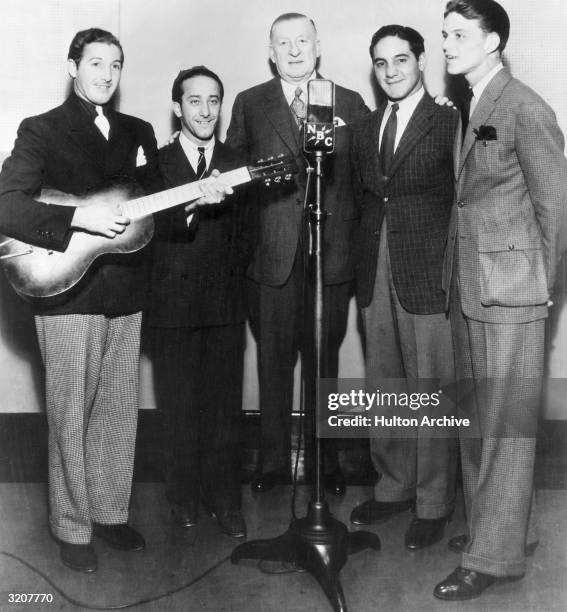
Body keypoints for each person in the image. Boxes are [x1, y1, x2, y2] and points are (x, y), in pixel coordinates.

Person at [0, 29, 226, 573]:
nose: (106, 73)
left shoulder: (138, 131)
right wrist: (79, 216)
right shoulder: (42, 130)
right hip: (65, 291)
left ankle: (109, 512)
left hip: (127, 291)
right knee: (70, 413)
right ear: (73, 65)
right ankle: (72, 528)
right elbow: (6, 205)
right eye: (95, 62)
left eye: (116, 64)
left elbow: (150, 210)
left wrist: (199, 199)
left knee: (118, 412)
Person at [435, 0, 567, 600]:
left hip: (511, 294)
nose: (446, 44)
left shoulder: (524, 108)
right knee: (478, 422)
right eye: (443, 34)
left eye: (459, 34)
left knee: (506, 428)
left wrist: (537, 288)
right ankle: (501, 533)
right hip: (471, 287)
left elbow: (555, 211)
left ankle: (488, 558)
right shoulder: (476, 103)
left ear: (493, 42)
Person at [226, 12, 369, 495]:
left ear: (318, 45)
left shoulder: (348, 101)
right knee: (273, 361)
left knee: (323, 363)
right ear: (271, 52)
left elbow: (364, 180)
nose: (293, 50)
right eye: (283, 43)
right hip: (272, 257)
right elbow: (234, 181)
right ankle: (271, 463)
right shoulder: (250, 103)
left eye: (302, 41)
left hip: (331, 255)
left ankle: (325, 462)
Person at [348, 26, 458, 550]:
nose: (391, 71)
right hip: (374, 269)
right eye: (381, 62)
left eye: (401, 60)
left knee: (430, 387)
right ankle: (393, 486)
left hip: (428, 272)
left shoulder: (448, 120)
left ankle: (434, 501)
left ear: (421, 61)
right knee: (384, 382)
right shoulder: (366, 126)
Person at [147, 66, 250, 538]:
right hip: (173, 305)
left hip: (225, 304)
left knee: (225, 407)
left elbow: (250, 235)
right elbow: (145, 237)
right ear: (177, 107)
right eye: (194, 101)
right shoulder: (155, 166)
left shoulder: (239, 161)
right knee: (180, 405)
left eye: (213, 101)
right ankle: (183, 496)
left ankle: (225, 499)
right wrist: (190, 208)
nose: (205, 110)